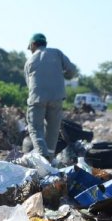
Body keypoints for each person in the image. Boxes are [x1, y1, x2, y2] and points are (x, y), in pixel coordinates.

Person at [24, 33, 77, 162]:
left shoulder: (29, 61)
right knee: (53, 129)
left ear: (33, 44)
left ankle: (43, 155)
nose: (30, 50)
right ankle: (50, 159)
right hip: (57, 98)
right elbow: (72, 71)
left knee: (35, 127)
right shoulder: (57, 53)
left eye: (30, 47)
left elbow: (29, 85)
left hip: (37, 99)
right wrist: (64, 76)